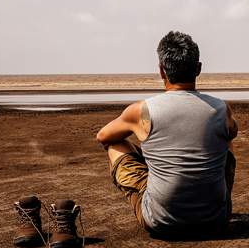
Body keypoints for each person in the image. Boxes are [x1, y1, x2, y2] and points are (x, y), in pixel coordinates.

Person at [96, 31, 238, 237]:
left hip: (161, 221)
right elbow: (233, 131)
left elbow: (103, 136)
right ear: (198, 69)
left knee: (115, 145)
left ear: (162, 71)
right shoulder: (221, 108)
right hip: (215, 220)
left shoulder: (142, 110)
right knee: (226, 140)